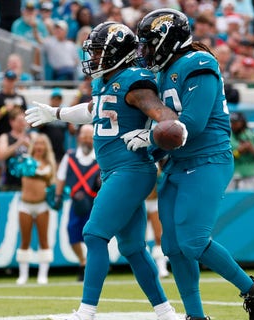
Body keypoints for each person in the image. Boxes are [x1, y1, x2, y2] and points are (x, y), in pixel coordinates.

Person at [25, 21, 181, 320]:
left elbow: (167, 119)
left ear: (118, 53)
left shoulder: (136, 82)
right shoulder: (106, 81)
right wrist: (56, 114)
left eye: (98, 52)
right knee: (133, 248)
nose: (93, 58)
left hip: (131, 169)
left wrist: (149, 137)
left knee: (94, 235)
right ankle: (166, 313)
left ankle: (86, 312)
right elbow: (95, 110)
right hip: (116, 171)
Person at [133, 9, 254, 320]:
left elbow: (192, 125)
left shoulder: (198, 63)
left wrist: (149, 139)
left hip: (208, 158)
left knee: (194, 241)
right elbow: (169, 135)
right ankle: (195, 316)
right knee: (173, 247)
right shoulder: (165, 71)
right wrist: (145, 152)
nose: (147, 51)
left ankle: (253, 289)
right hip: (179, 163)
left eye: (150, 43)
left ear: (169, 39)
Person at [54, 124, 99, 282]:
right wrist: (58, 196)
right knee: (72, 232)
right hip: (76, 203)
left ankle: (93, 266)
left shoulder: (100, 157)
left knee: (95, 236)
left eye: (90, 137)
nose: (87, 140)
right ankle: (83, 261)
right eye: (84, 136)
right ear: (79, 138)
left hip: (95, 203)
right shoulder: (70, 156)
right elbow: (60, 176)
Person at [13, 133, 56, 285]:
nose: (39, 147)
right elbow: (14, 169)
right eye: (36, 144)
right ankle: (23, 275)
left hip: (42, 205)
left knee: (44, 240)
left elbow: (53, 185)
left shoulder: (50, 164)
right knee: (25, 240)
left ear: (46, 147)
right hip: (25, 204)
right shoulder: (25, 161)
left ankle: (42, 274)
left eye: (42, 144)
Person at [228, 112, 254, 190]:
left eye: (236, 122)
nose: (233, 125)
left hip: (251, 177)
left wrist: (252, 150)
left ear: (243, 122)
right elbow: (227, 158)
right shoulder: (228, 137)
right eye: (232, 122)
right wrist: (239, 152)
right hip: (232, 178)